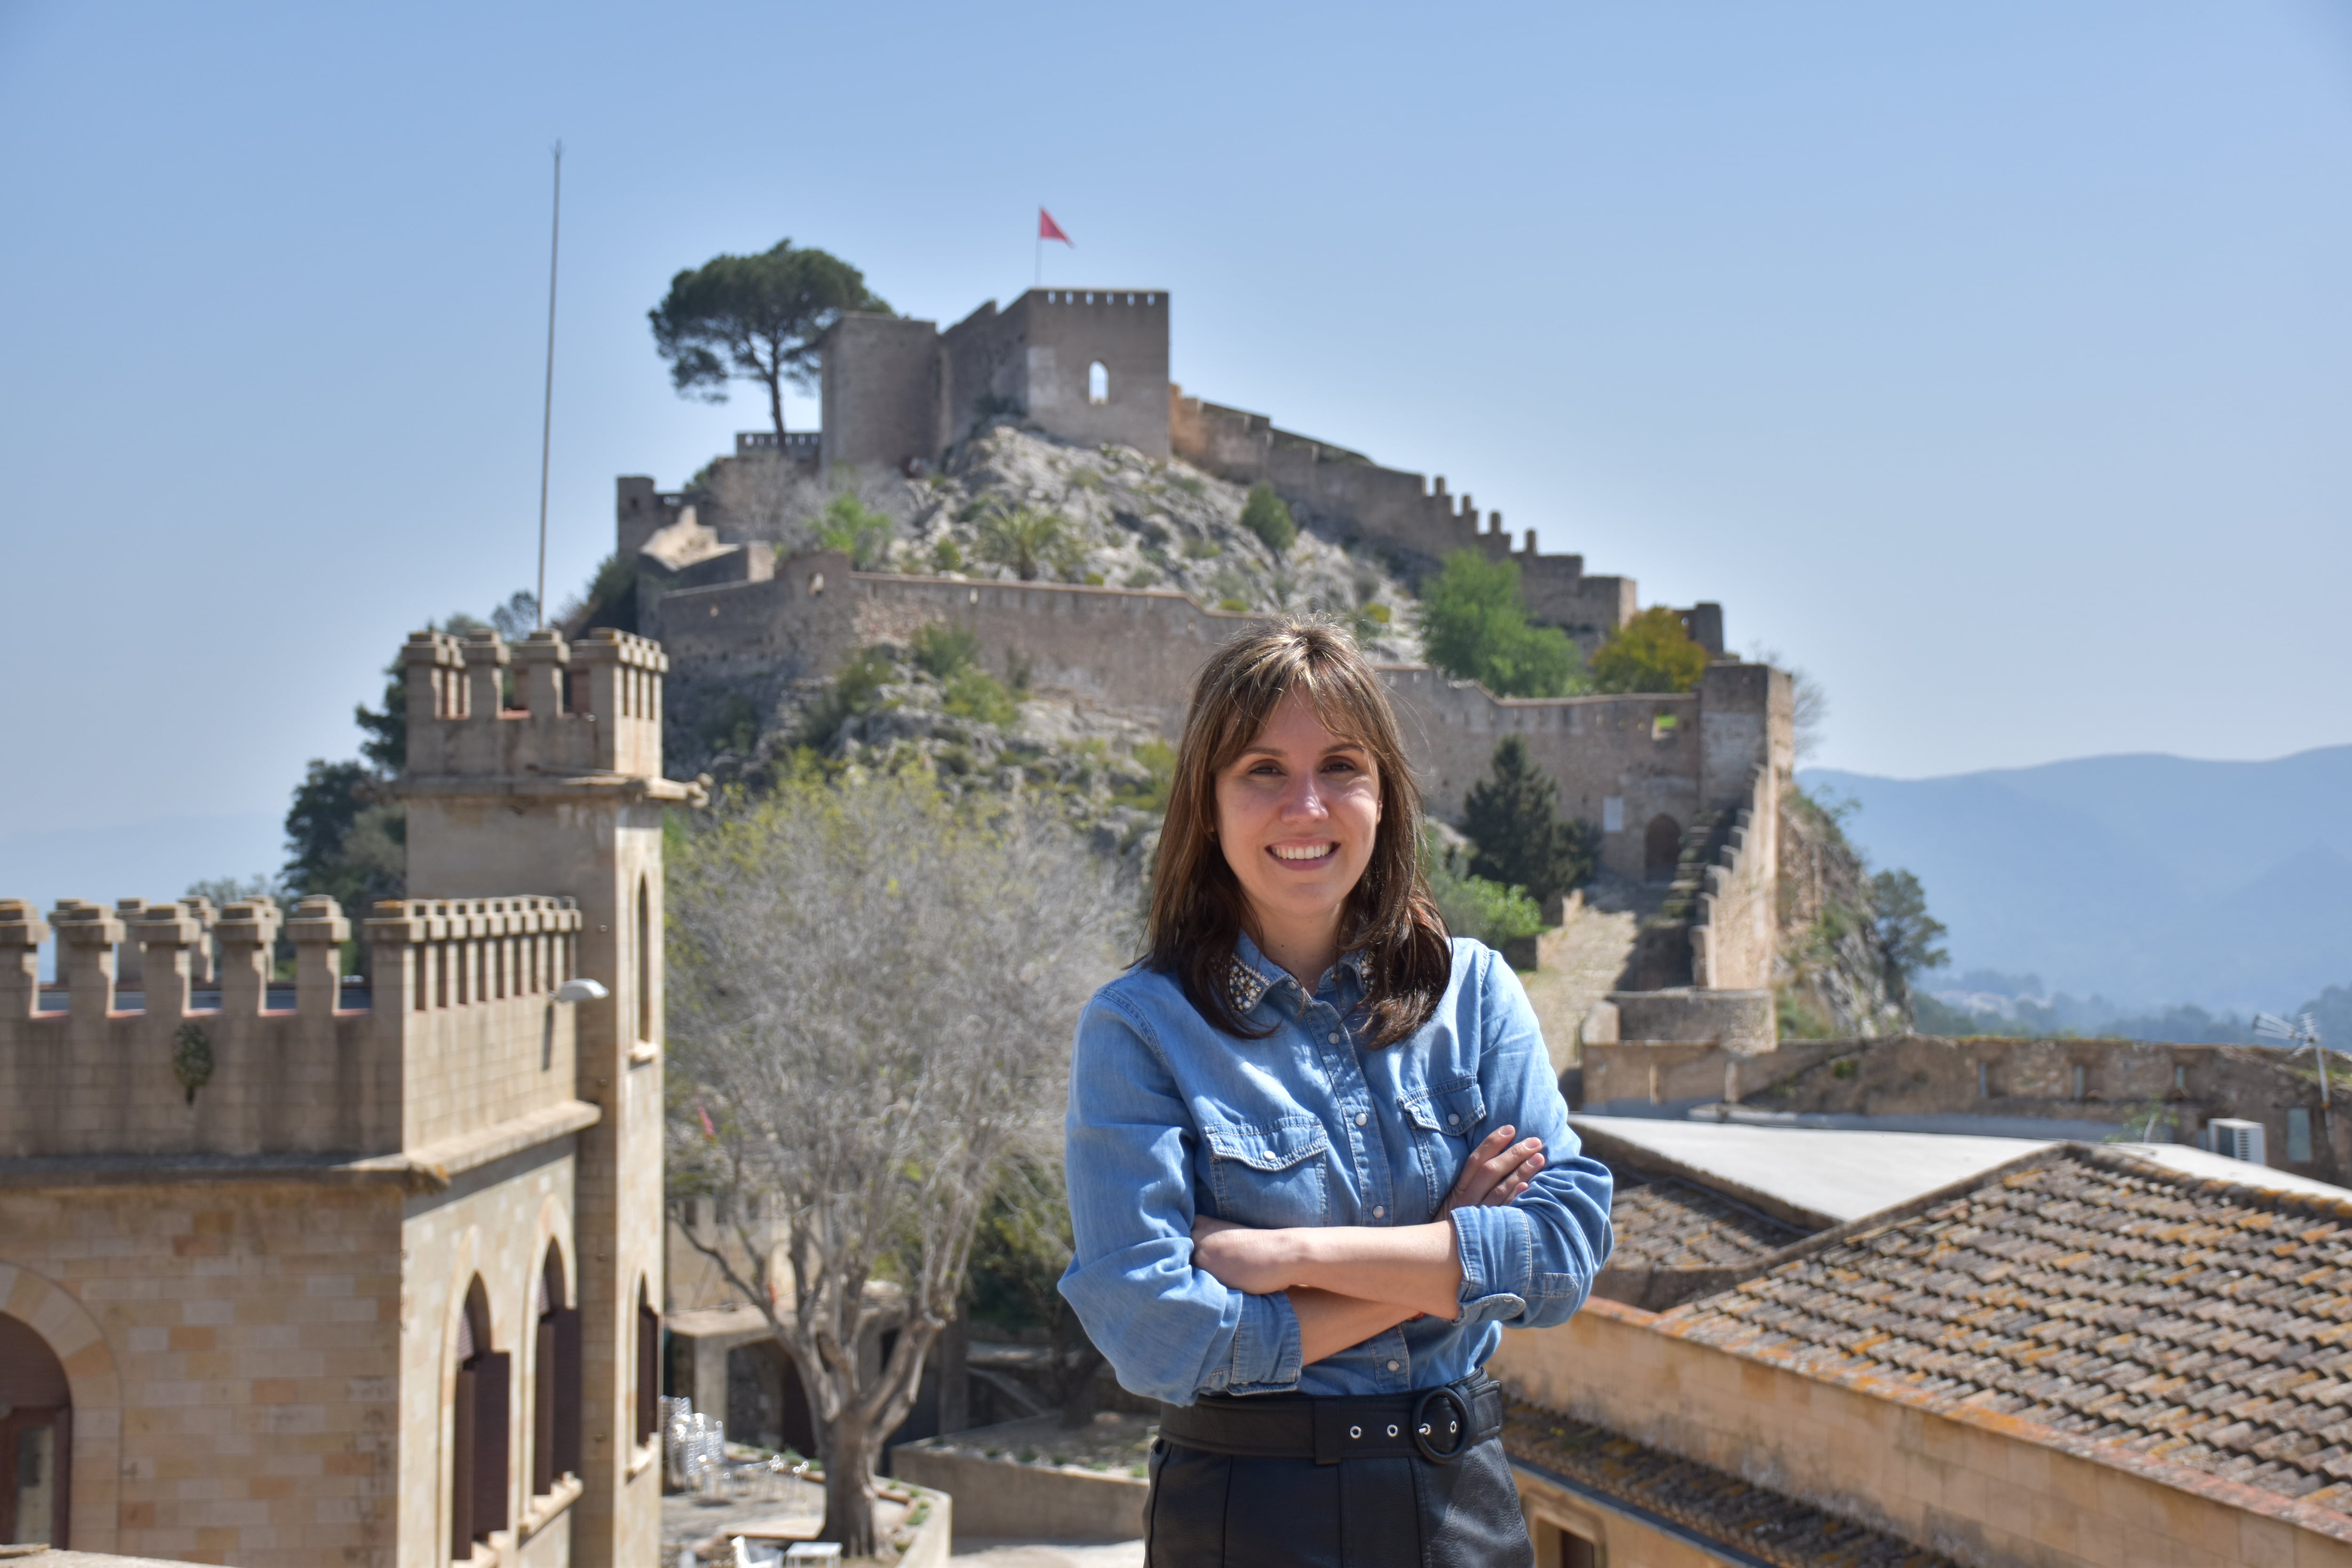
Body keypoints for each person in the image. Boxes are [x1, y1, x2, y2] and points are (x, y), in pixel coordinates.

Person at [1059, 621, 1614, 1567]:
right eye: (1262, 769)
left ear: (1384, 793)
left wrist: (1288, 1254)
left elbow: (1562, 1255)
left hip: (1460, 1507)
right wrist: (1445, 1247)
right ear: (1207, 805)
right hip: (1246, 1515)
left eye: (1341, 766)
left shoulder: (1474, 994)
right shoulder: (1139, 1029)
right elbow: (1156, 1337)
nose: (1305, 805)